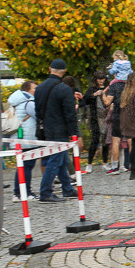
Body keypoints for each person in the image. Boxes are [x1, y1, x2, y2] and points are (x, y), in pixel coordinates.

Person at [34, 59, 80, 202]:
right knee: (55, 160)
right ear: (64, 71)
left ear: (50, 69)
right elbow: (70, 114)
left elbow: (37, 110)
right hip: (59, 129)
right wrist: (75, 134)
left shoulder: (39, 88)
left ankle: (67, 188)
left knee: (62, 159)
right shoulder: (64, 89)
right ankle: (45, 192)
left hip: (45, 129)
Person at [7, 81, 38, 201]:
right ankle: (25, 193)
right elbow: (38, 115)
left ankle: (17, 193)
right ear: (27, 90)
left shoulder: (16, 102)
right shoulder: (28, 102)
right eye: (35, 88)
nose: (36, 90)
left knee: (21, 167)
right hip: (27, 139)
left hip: (18, 138)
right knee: (27, 167)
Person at [82, 72, 109, 173]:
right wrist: (94, 94)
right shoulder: (92, 89)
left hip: (106, 117)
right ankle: (89, 164)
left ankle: (105, 162)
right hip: (95, 118)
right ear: (96, 79)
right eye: (99, 79)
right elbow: (85, 100)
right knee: (95, 140)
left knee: (106, 141)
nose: (101, 80)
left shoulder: (108, 87)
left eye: (102, 78)